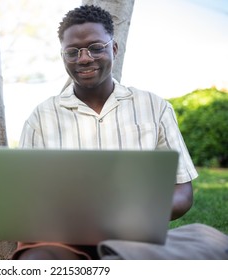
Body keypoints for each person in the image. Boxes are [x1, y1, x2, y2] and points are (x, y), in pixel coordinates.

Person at [13, 5, 200, 260]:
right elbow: (25, 196)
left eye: (95, 47)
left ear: (113, 48)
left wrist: (135, 213)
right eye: (72, 52)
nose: (84, 58)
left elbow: (182, 191)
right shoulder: (41, 117)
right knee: (37, 262)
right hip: (63, 239)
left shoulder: (155, 108)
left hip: (135, 237)